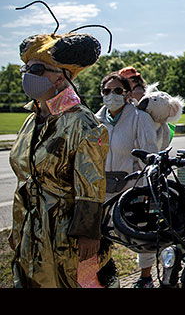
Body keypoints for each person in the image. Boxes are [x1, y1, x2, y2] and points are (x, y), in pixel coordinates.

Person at [9, 28, 113, 288]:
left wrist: (88, 233)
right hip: (30, 233)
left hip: (65, 236)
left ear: (61, 77)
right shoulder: (32, 121)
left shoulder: (82, 122)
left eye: (37, 70)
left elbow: (91, 184)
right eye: (26, 69)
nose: (27, 76)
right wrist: (19, 226)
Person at [95, 71, 160, 288]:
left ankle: (145, 277)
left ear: (127, 93)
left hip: (131, 188)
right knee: (100, 237)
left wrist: (143, 187)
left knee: (141, 234)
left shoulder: (140, 119)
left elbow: (149, 154)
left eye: (117, 90)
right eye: (106, 91)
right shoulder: (95, 121)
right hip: (102, 189)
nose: (111, 95)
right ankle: (107, 278)